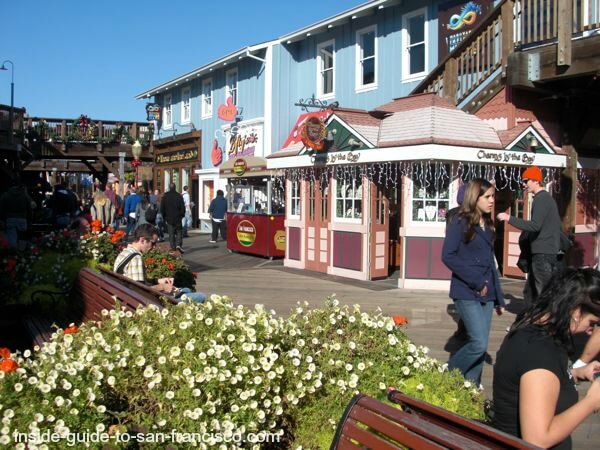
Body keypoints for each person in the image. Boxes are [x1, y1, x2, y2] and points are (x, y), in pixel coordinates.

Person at [492, 268, 600, 449]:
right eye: (593, 322)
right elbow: (537, 439)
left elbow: (534, 379)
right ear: (575, 310)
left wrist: (575, 373)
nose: (593, 331)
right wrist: (591, 402)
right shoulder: (540, 351)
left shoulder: (530, 328)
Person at [442, 178, 505, 385]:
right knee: (477, 343)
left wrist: (499, 298)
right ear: (474, 197)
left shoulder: (488, 225)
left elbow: (490, 264)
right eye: (487, 197)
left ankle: (471, 388)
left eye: (493, 196)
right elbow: (448, 256)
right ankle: (447, 375)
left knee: (481, 343)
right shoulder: (459, 222)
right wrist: (477, 281)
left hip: (487, 294)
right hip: (466, 291)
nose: (492, 201)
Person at [496, 166, 562, 302]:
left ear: (536, 180)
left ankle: (545, 320)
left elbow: (535, 225)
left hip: (542, 254)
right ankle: (530, 317)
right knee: (530, 292)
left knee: (543, 294)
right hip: (547, 251)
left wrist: (509, 218)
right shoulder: (546, 199)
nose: (524, 184)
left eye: (526, 181)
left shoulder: (541, 199)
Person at [113, 223, 206, 303]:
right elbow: (139, 290)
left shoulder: (126, 252)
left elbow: (136, 283)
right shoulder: (135, 258)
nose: (154, 247)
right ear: (142, 240)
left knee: (186, 290)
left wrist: (157, 281)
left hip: (128, 295)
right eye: (152, 243)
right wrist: (162, 287)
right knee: (201, 296)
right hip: (144, 301)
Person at [446, 183, 467, 340]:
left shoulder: (451, 214)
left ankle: (463, 327)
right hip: (465, 258)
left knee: (462, 294)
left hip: (458, 258)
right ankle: (464, 328)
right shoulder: (460, 216)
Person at [0, 181, 33, 247]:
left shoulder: (5, 195)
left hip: (10, 219)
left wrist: (2, 220)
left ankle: (14, 253)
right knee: (22, 239)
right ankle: (23, 253)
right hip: (23, 219)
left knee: (12, 239)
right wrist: (29, 220)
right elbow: (30, 209)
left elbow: (1, 209)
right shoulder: (24, 196)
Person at [160, 183, 185, 253]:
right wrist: (181, 215)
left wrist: (164, 217)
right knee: (179, 231)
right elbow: (182, 207)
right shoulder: (179, 196)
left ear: (169, 187)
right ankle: (179, 245)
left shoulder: (165, 196)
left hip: (169, 218)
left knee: (171, 233)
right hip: (178, 217)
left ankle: (173, 247)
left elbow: (162, 208)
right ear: (175, 187)